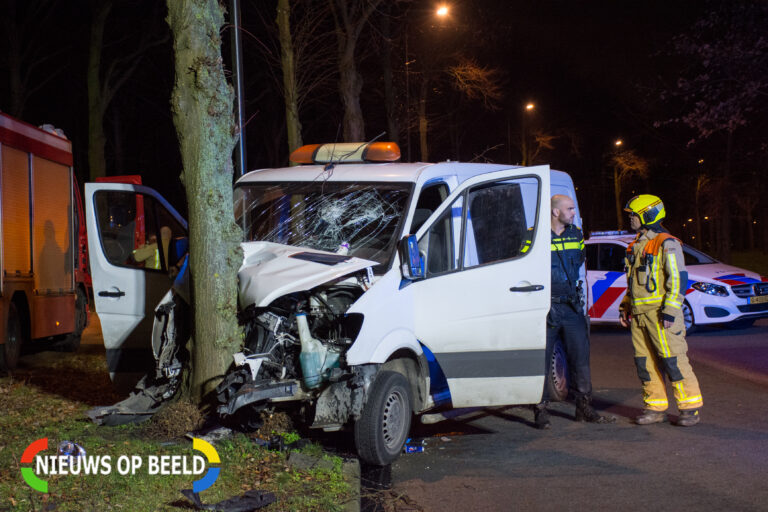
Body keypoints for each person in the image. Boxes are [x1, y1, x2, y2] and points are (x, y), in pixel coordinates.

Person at [619, 195, 703, 427]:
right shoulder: (636, 244)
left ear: (648, 214)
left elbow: (678, 279)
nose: (631, 219)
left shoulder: (667, 242)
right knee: (645, 363)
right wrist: (625, 306)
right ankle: (655, 407)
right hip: (639, 315)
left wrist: (670, 310)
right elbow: (633, 282)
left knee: (673, 360)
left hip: (660, 314)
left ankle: (690, 408)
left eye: (634, 215)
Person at [533, 194, 614, 429]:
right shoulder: (535, 234)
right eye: (569, 208)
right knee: (541, 360)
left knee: (580, 359)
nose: (573, 213)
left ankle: (584, 407)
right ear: (555, 212)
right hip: (545, 306)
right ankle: (539, 410)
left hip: (570, 305)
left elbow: (578, 261)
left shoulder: (576, 234)